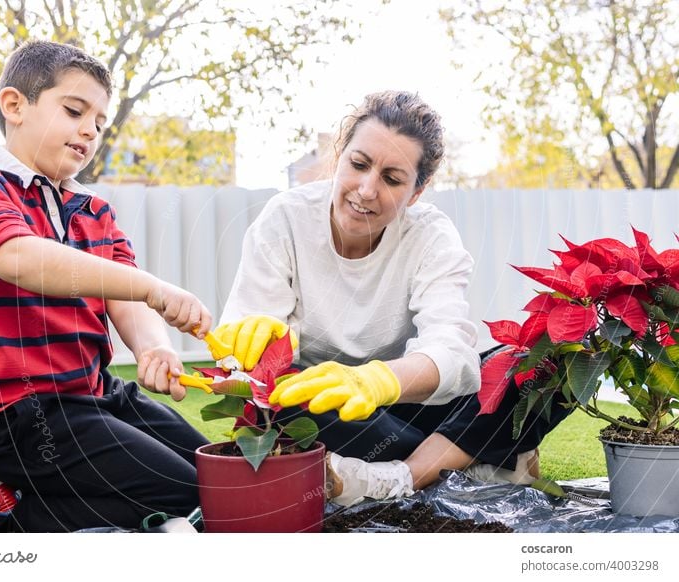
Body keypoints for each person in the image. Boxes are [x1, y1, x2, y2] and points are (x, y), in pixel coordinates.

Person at [0, 40, 212, 532]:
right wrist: (152, 286)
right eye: (74, 110)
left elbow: (122, 299)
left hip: (98, 394)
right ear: (15, 105)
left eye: (100, 123)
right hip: (18, 413)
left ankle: (37, 495)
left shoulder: (94, 212)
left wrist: (154, 346)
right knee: (185, 493)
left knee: (222, 475)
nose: (90, 130)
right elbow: (18, 257)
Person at [213, 91, 560, 508]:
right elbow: (240, 365)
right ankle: (477, 460)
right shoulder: (285, 219)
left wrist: (376, 381)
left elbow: (453, 353)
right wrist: (250, 344)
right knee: (289, 398)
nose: (366, 189)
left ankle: (396, 478)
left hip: (407, 407)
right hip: (331, 415)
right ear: (339, 156)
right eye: (358, 165)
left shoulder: (430, 236)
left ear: (417, 191)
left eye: (392, 179)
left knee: (544, 360)